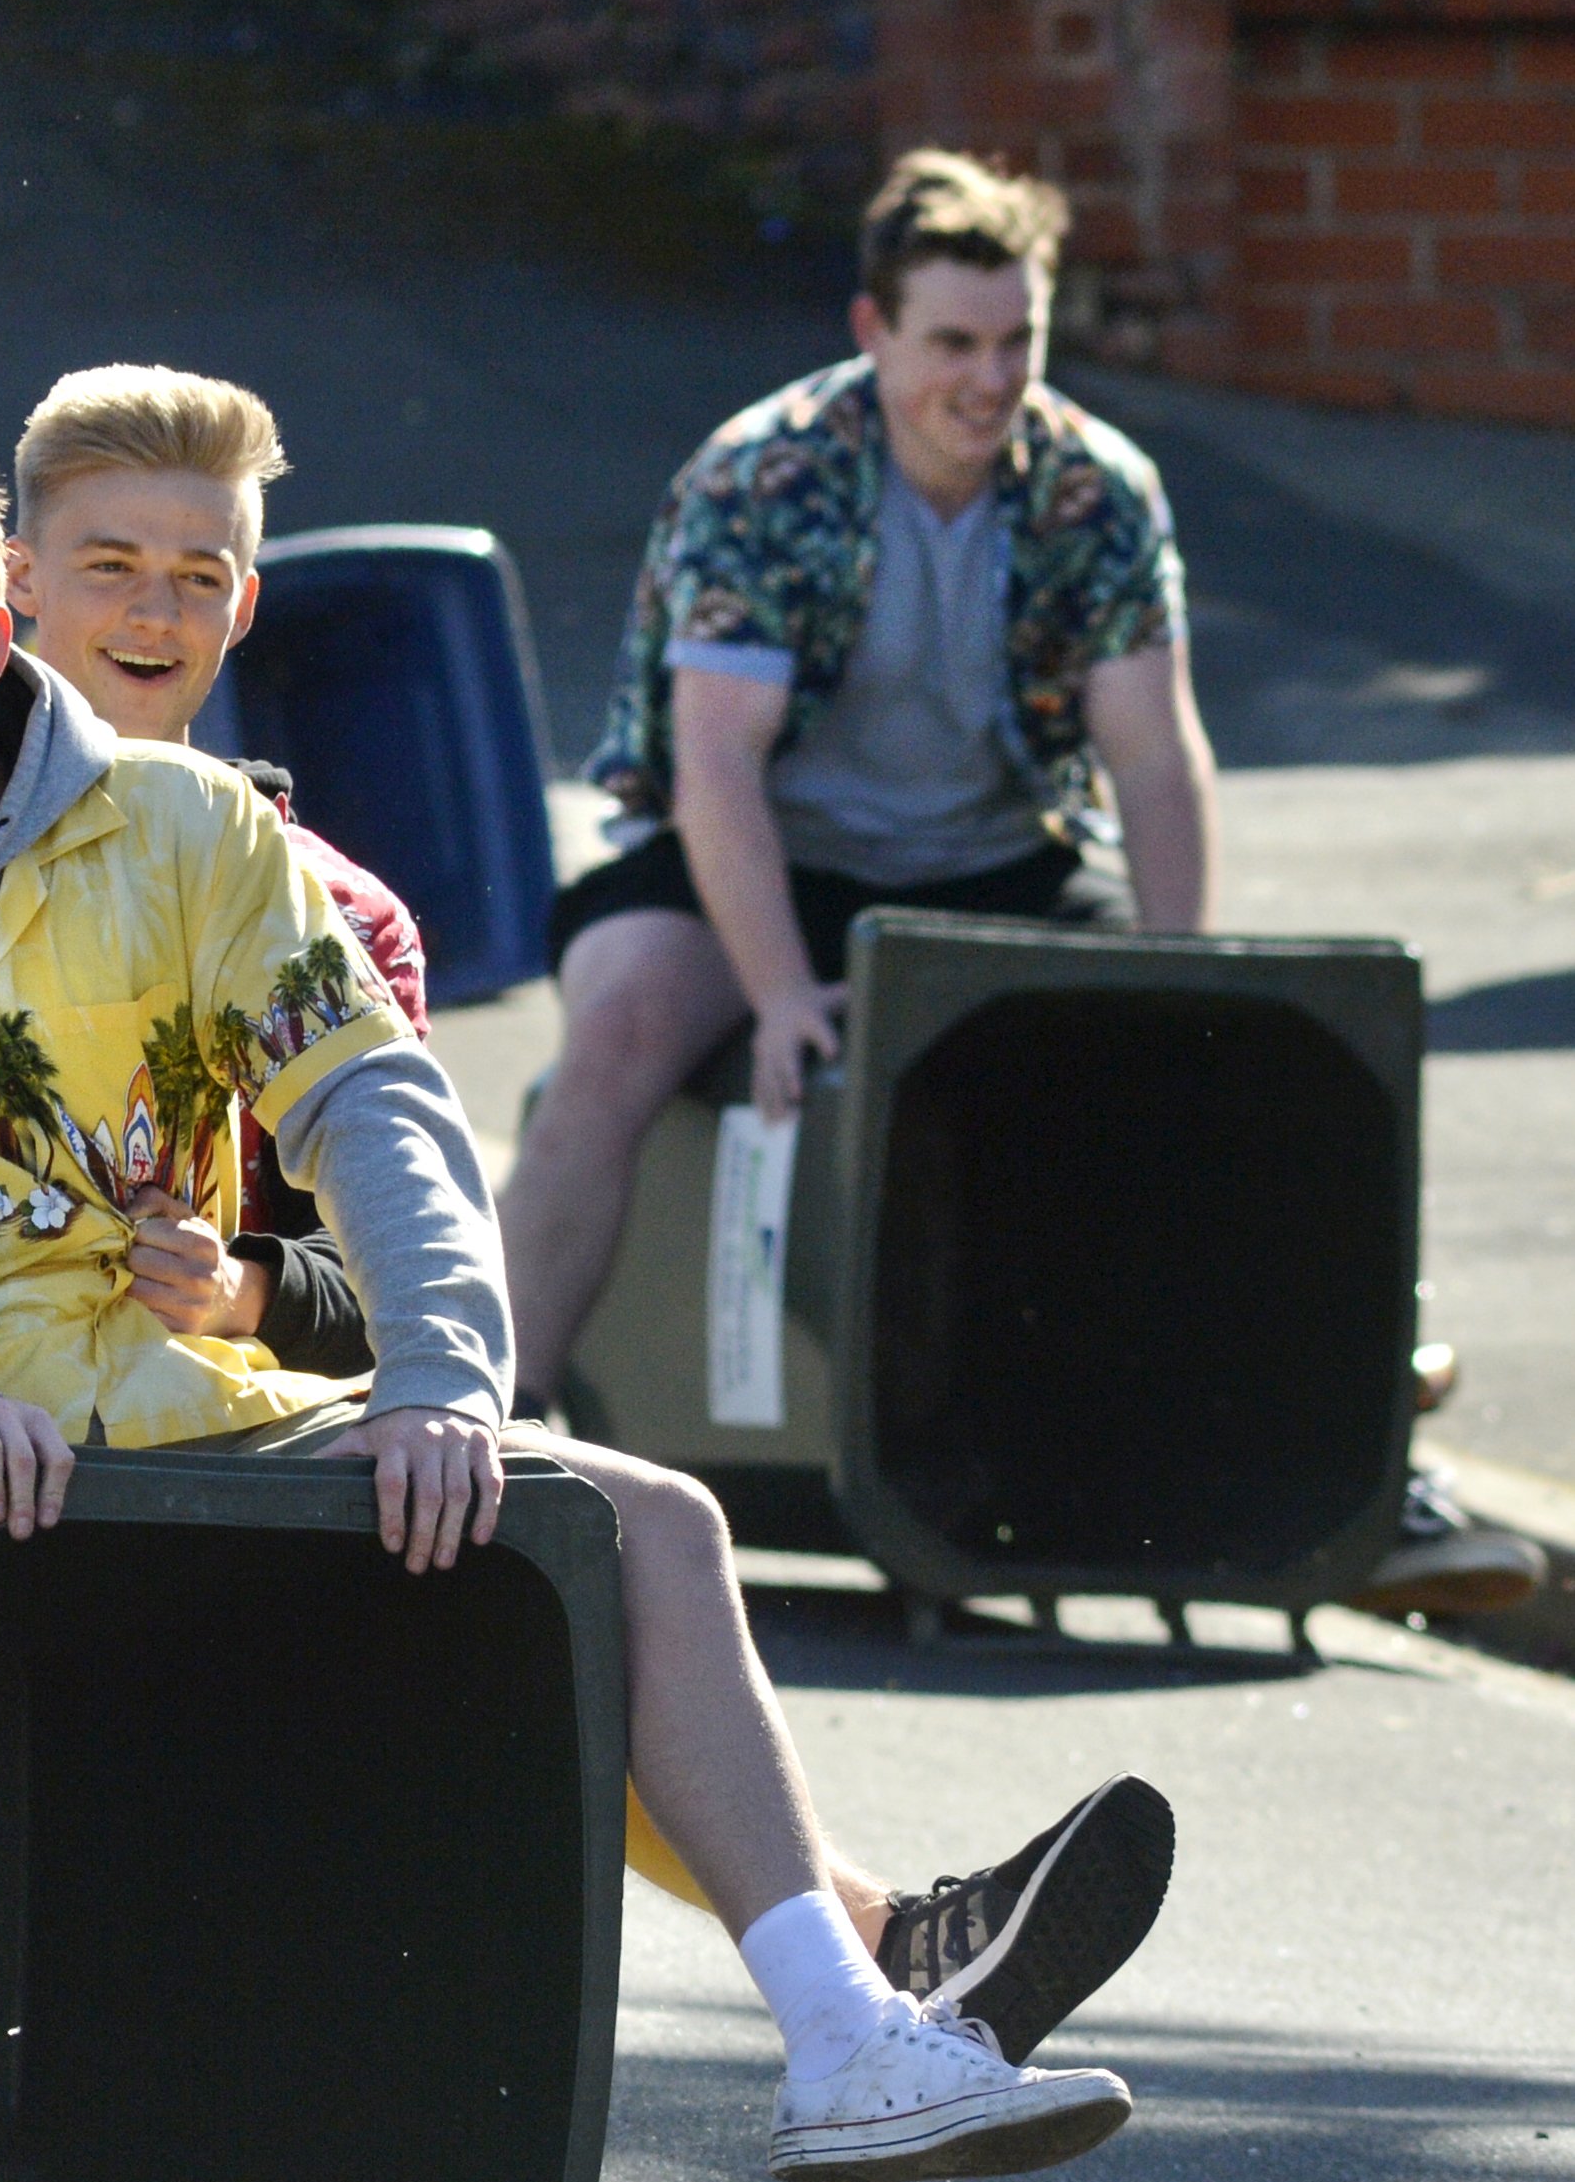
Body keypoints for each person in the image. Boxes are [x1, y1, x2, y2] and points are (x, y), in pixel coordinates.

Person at [0, 0, 1172, 2160]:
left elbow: (367, 1214)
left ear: (242, 603)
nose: (150, 615)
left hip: (153, 1378)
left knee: (527, 1528)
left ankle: (867, 1963)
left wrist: (299, 1312)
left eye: (198, 576)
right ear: (13, 595)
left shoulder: (277, 873)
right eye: (107, 571)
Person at [494, 147, 1541, 1621]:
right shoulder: (767, 473)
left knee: (1267, 1069)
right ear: (875, 333)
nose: (987, 382)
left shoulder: (1097, 490)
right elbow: (712, 768)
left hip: (998, 856)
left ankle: (1373, 1474)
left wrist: (1189, 995)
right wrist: (784, 989)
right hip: (767, 856)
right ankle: (495, 1434)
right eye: (953, 345)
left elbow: (1156, 762)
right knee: (612, 1031)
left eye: (1017, 343)